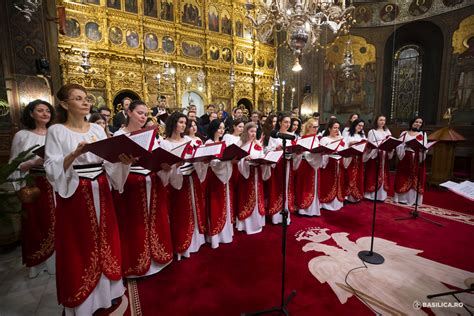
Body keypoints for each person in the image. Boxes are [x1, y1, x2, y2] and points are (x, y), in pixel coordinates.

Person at [44, 84, 134, 315]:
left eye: (87, 98)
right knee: (80, 242)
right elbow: (51, 166)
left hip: (101, 187)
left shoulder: (96, 128)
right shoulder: (56, 131)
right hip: (75, 192)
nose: (86, 103)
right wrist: (75, 154)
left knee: (106, 238)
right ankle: (84, 298)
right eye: (78, 98)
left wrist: (122, 161)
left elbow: (109, 160)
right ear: (64, 104)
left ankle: (109, 291)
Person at [113, 100, 173, 277]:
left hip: (152, 183)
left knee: (156, 220)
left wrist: (165, 166)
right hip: (130, 186)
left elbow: (156, 157)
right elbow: (112, 164)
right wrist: (123, 163)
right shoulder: (119, 135)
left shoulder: (150, 135)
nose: (143, 117)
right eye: (139, 113)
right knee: (134, 225)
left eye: (145, 114)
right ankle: (136, 264)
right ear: (129, 112)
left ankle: (157, 259)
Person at [9, 99, 56, 278]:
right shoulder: (22, 135)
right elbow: (14, 164)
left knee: (58, 221)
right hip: (35, 182)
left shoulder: (56, 132)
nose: (45, 114)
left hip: (56, 182)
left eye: (48, 111)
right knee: (37, 223)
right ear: (31, 114)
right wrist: (34, 161)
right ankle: (40, 263)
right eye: (40, 110)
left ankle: (59, 261)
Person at [159, 113, 207, 260]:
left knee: (194, 209)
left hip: (192, 178)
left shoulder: (189, 140)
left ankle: (196, 242)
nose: (183, 125)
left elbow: (196, 157)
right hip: (177, 183)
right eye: (180, 122)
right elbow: (163, 166)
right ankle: (182, 245)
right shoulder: (164, 143)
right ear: (173, 123)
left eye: (185, 123)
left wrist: (203, 160)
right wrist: (174, 165)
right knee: (181, 213)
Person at [203, 119, 235, 248]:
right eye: (219, 128)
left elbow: (224, 158)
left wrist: (229, 160)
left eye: (223, 128)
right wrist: (226, 162)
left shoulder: (223, 143)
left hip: (224, 176)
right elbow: (211, 162)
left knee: (225, 202)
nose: (222, 130)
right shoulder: (209, 143)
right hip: (214, 177)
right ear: (213, 129)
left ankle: (226, 233)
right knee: (215, 204)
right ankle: (215, 236)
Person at [235, 122, 270, 234]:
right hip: (246, 176)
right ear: (246, 132)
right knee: (246, 197)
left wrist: (264, 161)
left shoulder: (258, 145)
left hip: (256, 174)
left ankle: (257, 222)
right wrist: (244, 160)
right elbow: (237, 159)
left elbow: (261, 156)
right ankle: (246, 224)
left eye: (255, 131)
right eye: (251, 131)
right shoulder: (240, 143)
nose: (253, 134)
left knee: (257, 197)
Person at [265, 113, 296, 224]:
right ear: (280, 123)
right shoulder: (274, 135)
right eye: (285, 122)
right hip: (278, 165)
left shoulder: (292, 135)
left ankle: (286, 215)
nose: (288, 124)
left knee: (287, 188)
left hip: (288, 163)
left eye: (289, 122)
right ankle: (276, 217)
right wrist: (277, 148)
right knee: (278, 188)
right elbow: (268, 150)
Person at [394, 116, 427, 206]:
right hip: (406, 157)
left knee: (415, 177)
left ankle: (413, 200)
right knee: (403, 176)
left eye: (420, 122)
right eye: (416, 121)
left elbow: (425, 146)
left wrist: (423, 149)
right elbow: (398, 145)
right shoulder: (404, 133)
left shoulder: (422, 134)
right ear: (412, 122)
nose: (418, 124)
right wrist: (404, 146)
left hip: (417, 158)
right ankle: (402, 199)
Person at [294, 119, 322, 216]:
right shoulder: (303, 139)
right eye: (314, 127)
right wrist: (310, 153)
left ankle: (313, 209)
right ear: (308, 127)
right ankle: (304, 209)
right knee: (305, 186)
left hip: (315, 165)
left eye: (317, 127)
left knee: (314, 186)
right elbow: (302, 152)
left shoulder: (317, 138)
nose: (316, 129)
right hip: (306, 165)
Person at [363, 115, 394, 201]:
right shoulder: (372, 131)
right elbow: (369, 145)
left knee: (383, 174)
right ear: (376, 121)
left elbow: (390, 142)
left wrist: (390, 147)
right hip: (374, 155)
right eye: (380, 120)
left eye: (384, 120)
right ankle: (371, 195)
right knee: (373, 172)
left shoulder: (387, 131)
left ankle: (381, 196)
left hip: (384, 155)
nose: (382, 122)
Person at [319, 120, 346, 211]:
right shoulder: (325, 139)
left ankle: (337, 202)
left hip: (339, 163)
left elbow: (344, 150)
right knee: (328, 183)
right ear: (329, 128)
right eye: (335, 128)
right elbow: (321, 153)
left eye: (338, 128)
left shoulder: (341, 138)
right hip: (329, 164)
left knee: (339, 182)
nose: (337, 130)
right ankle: (327, 203)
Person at [343, 119, 366, 203]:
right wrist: (350, 144)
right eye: (359, 125)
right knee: (349, 176)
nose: (360, 127)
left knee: (358, 177)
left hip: (359, 159)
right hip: (350, 158)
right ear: (354, 125)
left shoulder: (362, 135)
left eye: (362, 126)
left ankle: (356, 196)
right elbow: (344, 145)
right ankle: (347, 196)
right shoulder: (348, 134)